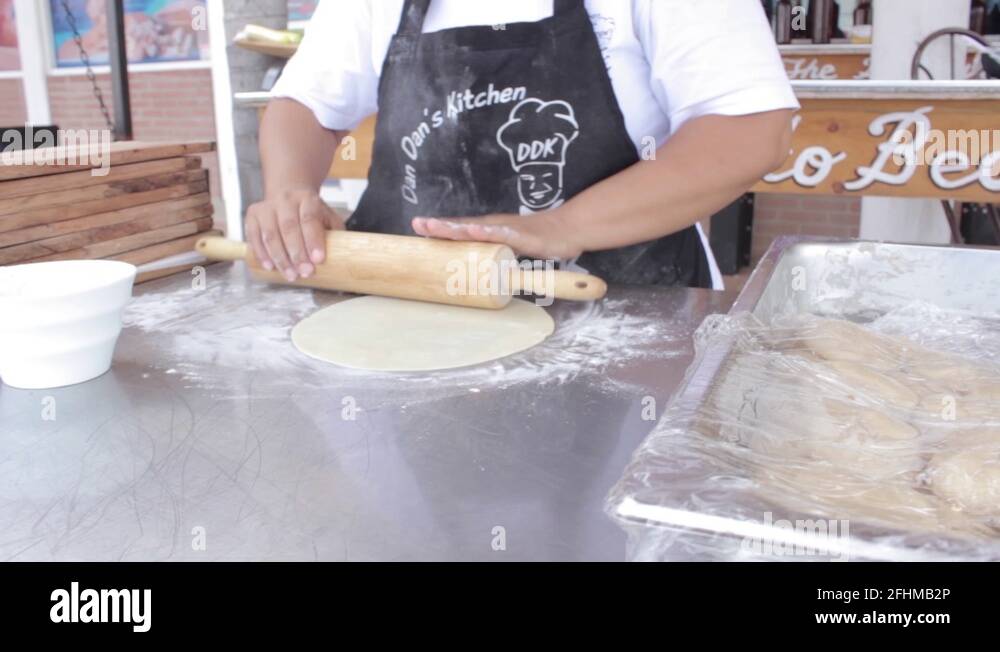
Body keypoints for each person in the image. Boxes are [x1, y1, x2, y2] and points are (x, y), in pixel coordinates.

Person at [250, 0, 798, 289]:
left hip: (623, 310)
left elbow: (750, 128)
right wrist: (291, 190)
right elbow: (304, 105)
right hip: (412, 303)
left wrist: (562, 227)